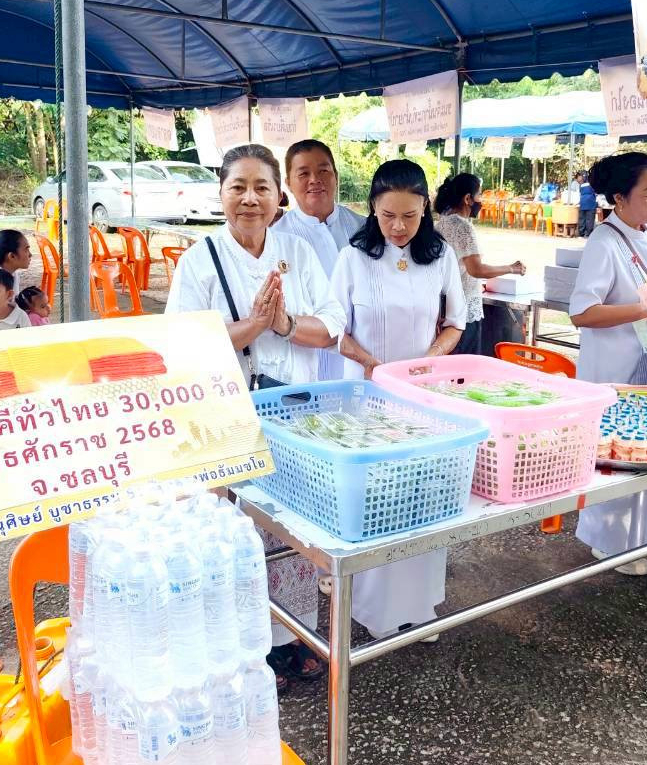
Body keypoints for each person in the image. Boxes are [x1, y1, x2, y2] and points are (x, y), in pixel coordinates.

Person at [165, 143, 345, 690]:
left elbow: (333, 324)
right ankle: (241, 645)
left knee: (291, 528)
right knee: (238, 530)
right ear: (221, 193)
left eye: (261, 187)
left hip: (295, 414)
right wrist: (252, 326)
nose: (249, 198)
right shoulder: (202, 258)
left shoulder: (299, 252)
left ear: (278, 196)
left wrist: (286, 323)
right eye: (238, 186)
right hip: (230, 418)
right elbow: (184, 341)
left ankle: (290, 641)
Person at [331, 159, 467, 638]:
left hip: (421, 397)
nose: (399, 227)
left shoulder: (440, 254)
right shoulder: (353, 257)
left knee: (423, 495)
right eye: (388, 215)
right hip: (366, 397)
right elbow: (335, 330)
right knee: (376, 498)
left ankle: (421, 605)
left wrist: (424, 364)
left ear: (425, 209)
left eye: (410, 216)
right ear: (373, 208)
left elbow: (456, 322)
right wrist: (373, 364)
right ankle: (372, 607)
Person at [569, 152, 647, 574]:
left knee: (645, 449)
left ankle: (639, 539)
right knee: (614, 452)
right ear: (618, 197)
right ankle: (608, 543)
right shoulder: (604, 242)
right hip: (610, 369)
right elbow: (582, 313)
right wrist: (644, 308)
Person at [274, 138, 364, 376]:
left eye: (323, 170)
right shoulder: (276, 239)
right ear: (288, 183)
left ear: (335, 175)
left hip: (363, 352)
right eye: (303, 173)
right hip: (306, 353)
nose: (315, 180)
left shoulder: (364, 228)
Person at [434, 171, 525, 355]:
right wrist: (511, 268)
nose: (481, 200)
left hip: (445, 306)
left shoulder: (442, 223)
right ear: (468, 198)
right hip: (464, 308)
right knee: (464, 364)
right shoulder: (463, 227)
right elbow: (476, 269)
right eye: (479, 195)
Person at [577, 171, 598, 237]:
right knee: (590, 219)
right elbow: (596, 192)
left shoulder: (581, 185)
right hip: (590, 203)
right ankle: (588, 234)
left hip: (583, 203)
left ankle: (581, 233)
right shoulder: (592, 184)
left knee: (582, 219)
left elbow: (581, 192)